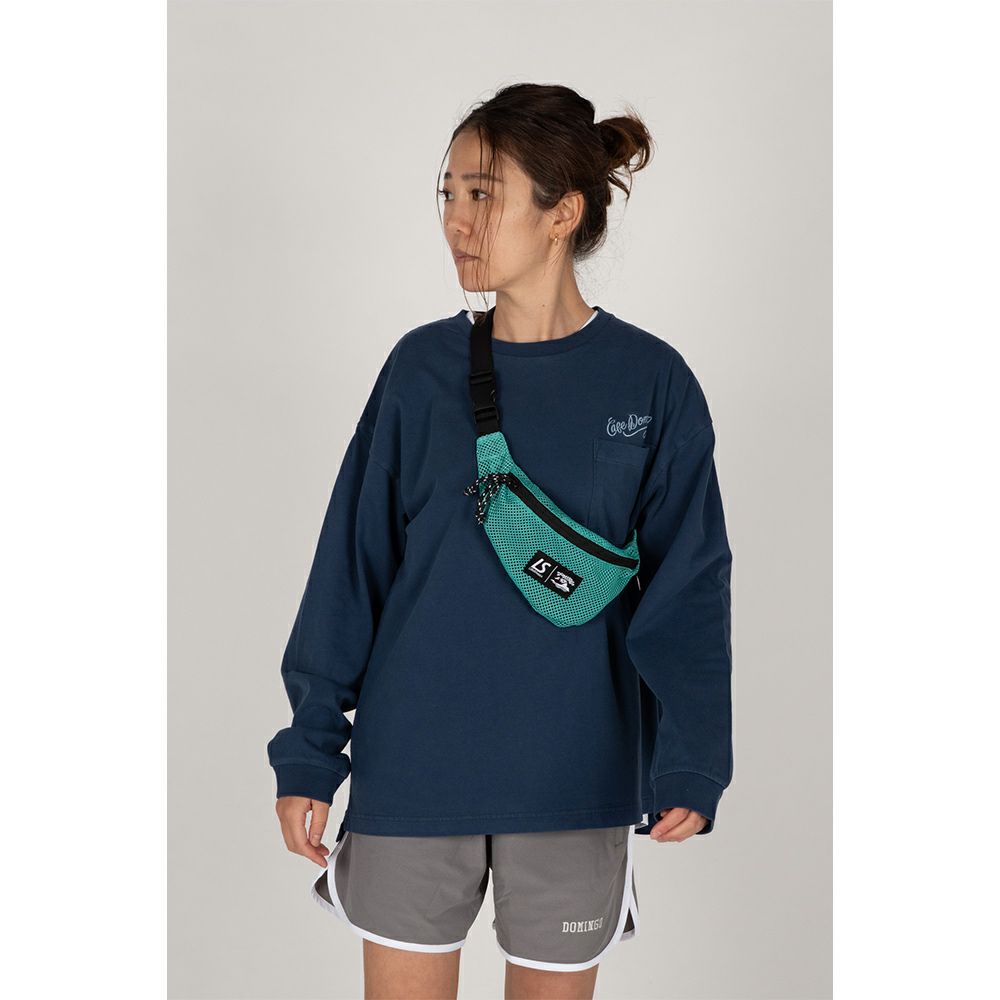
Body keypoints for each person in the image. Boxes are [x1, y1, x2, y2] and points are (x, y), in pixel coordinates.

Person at [268, 82, 734, 1000]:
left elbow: (691, 586)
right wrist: (310, 751)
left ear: (564, 213)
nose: (457, 220)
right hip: (414, 774)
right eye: (448, 193)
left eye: (483, 193)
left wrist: (693, 755)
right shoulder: (419, 370)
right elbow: (349, 570)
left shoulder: (652, 383)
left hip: (575, 776)